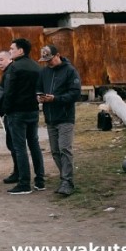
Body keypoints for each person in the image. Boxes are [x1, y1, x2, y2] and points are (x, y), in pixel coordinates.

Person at [3, 37, 45, 194]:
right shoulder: (36, 66)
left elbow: (9, 91)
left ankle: (24, 183)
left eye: (12, 49)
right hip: (33, 110)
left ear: (21, 51)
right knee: (34, 145)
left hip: (17, 112)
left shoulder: (14, 68)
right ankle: (40, 180)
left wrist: (7, 109)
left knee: (20, 147)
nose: (10, 51)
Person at [38, 44, 81, 196]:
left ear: (58, 55)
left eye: (50, 60)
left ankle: (67, 181)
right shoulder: (44, 72)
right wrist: (39, 96)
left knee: (64, 149)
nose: (48, 63)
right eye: (45, 61)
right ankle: (65, 179)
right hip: (50, 117)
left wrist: (56, 99)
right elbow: (39, 88)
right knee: (56, 151)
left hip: (65, 116)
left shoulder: (70, 71)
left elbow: (75, 94)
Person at [0, 50, 19, 183]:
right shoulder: (7, 73)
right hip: (10, 113)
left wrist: (5, 109)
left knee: (15, 145)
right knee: (13, 145)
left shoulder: (10, 73)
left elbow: (9, 94)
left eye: (1, 59)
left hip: (12, 113)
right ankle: (18, 171)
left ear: (9, 59)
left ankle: (18, 173)